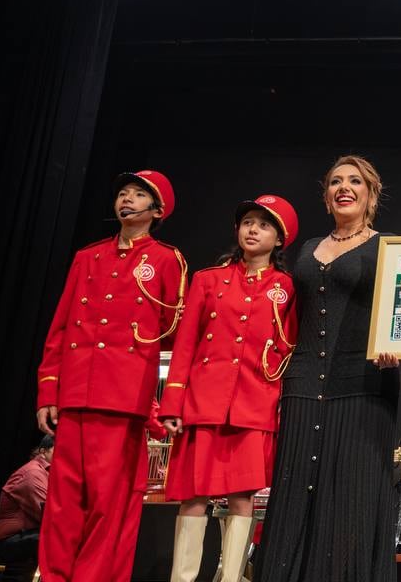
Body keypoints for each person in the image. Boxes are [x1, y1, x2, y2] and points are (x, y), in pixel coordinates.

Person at [254, 156, 401, 582]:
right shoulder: (308, 247)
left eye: (355, 181)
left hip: (364, 383)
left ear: (371, 195)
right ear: (326, 196)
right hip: (303, 381)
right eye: (336, 181)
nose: (344, 187)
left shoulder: (389, 246)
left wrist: (398, 346)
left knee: (352, 496)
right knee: (294, 488)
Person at [36, 170, 187, 582]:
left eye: (138, 194)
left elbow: (173, 330)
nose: (127, 199)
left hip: (123, 396)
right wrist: (48, 391)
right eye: (123, 192)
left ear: (157, 210)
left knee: (109, 501)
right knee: (63, 500)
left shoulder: (165, 259)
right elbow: (60, 327)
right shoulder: (88, 257)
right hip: (75, 392)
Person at [160, 195, 300, 582]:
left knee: (243, 498)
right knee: (193, 497)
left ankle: (232, 578)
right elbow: (185, 345)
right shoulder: (207, 280)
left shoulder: (287, 288)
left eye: (264, 225)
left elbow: (288, 350)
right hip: (203, 402)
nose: (253, 230)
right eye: (248, 222)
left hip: (254, 405)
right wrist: (173, 402)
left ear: (279, 239)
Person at [0, 435, 54, 581]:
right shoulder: (33, 473)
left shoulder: (49, 473)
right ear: (43, 451)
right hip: (13, 540)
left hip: (30, 535)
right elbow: (49, 515)